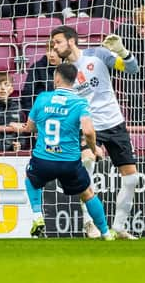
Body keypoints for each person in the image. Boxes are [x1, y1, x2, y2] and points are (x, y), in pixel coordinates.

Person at [51, 25, 140, 239]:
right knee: (87, 161)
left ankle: (119, 227)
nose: (54, 47)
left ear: (71, 41)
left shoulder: (98, 55)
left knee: (132, 179)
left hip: (115, 123)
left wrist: (123, 52)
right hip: (88, 125)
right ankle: (89, 223)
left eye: (57, 42)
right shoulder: (63, 73)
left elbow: (132, 69)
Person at [24, 62, 114, 240]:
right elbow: (88, 131)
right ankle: (105, 233)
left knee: (31, 179)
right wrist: (94, 147)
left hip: (43, 159)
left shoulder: (42, 98)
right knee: (87, 193)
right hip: (69, 162)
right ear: (74, 80)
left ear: (56, 78)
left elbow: (30, 127)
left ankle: (37, 216)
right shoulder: (80, 102)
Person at [114, 6, 145, 125]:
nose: (143, 31)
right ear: (135, 23)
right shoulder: (124, 29)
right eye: (140, 27)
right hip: (129, 70)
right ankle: (138, 129)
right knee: (136, 99)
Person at [21, 40, 60, 116]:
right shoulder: (37, 67)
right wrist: (31, 116)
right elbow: (27, 94)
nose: (51, 54)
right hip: (42, 114)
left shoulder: (71, 67)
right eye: (49, 50)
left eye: (56, 51)